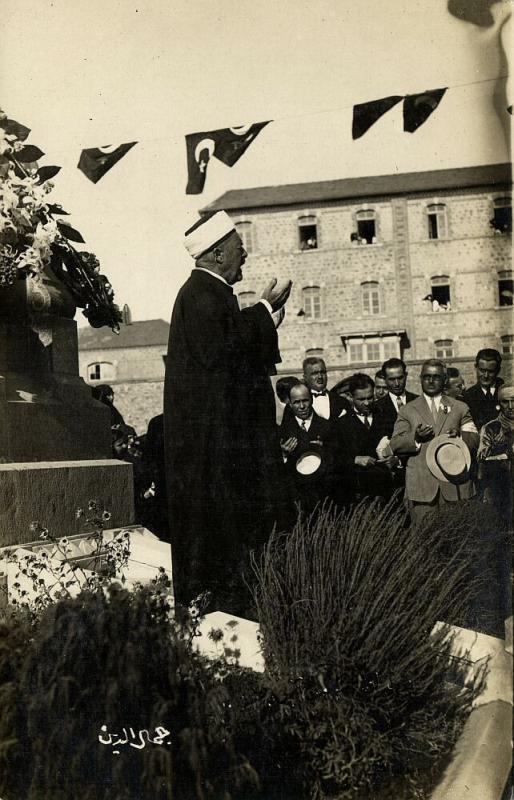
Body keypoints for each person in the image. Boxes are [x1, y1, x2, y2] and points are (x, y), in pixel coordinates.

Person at [164, 210, 292, 612]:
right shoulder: (202, 295)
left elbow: (234, 355)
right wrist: (265, 313)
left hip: (222, 450)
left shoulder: (210, 294)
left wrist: (262, 318)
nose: (245, 255)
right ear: (218, 254)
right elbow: (224, 354)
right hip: (215, 456)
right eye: (239, 248)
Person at [390, 359, 478, 525]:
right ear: (420, 379)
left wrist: (459, 438)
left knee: (458, 541)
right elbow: (395, 444)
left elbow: (474, 440)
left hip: (455, 486)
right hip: (422, 490)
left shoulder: (460, 408)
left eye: (436, 377)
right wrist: (415, 438)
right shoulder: (407, 410)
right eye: (426, 377)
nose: (430, 381)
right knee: (425, 543)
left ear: (445, 380)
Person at [337, 373, 400, 502]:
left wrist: (395, 460)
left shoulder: (387, 417)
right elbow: (333, 456)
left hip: (387, 491)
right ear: (351, 397)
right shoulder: (341, 424)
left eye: (370, 398)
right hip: (358, 493)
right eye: (361, 399)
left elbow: (401, 446)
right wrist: (354, 459)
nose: (366, 403)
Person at [279, 382, 339, 514]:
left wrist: (325, 450)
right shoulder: (282, 431)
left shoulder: (327, 426)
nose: (301, 406)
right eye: (296, 402)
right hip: (296, 496)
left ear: (311, 400)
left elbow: (339, 459)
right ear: (290, 404)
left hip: (324, 494)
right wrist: (283, 454)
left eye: (305, 400)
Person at [477, 381, 514, 530]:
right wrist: (503, 452)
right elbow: (482, 459)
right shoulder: (491, 428)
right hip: (501, 491)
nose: (510, 406)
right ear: (499, 403)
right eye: (505, 402)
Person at [374, 357, 418, 438]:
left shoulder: (418, 401)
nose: (397, 383)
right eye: (392, 379)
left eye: (400, 378)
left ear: (406, 375)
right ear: (385, 379)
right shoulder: (377, 407)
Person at [463, 348, 503, 430]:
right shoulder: (467, 397)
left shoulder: (507, 392)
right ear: (476, 367)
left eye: (490, 371)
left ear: (498, 370)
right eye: (482, 370)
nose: (486, 376)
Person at [303, 357, 350, 423]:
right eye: (315, 373)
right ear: (305, 377)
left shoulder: (341, 401)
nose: (320, 377)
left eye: (323, 372)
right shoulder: (300, 403)